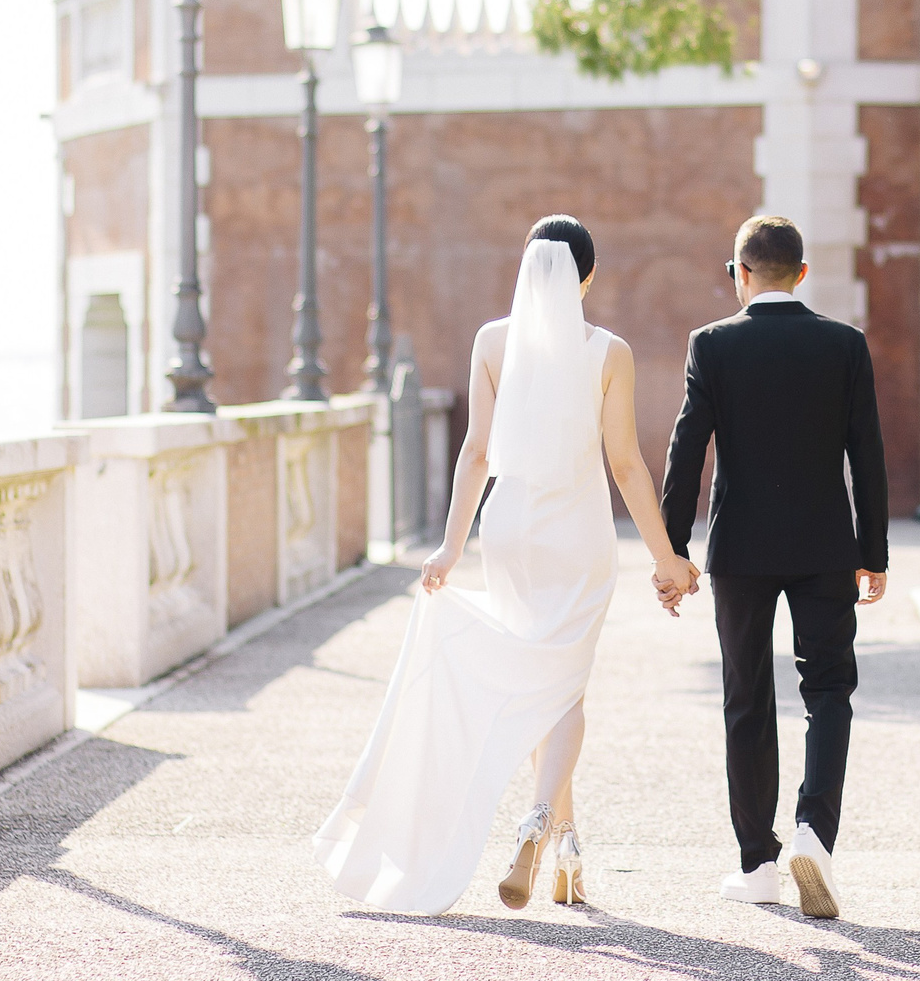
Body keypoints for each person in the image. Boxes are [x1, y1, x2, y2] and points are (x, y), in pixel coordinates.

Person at [313, 215, 700, 915]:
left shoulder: (492, 341)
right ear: (587, 276)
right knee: (564, 690)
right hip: (577, 534)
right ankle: (537, 823)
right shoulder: (607, 352)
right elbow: (624, 463)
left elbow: (476, 452)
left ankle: (569, 844)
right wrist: (666, 555)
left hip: (511, 530)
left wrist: (450, 547)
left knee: (536, 679)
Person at [659, 214, 888, 920]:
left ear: (742, 274)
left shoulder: (713, 344)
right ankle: (814, 834)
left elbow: (686, 448)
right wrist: (872, 553)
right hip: (825, 546)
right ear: (803, 274)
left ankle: (757, 861)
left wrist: (673, 552)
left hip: (742, 551)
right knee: (828, 689)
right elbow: (868, 454)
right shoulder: (844, 344)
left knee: (746, 695)